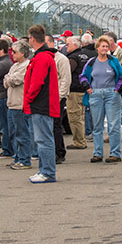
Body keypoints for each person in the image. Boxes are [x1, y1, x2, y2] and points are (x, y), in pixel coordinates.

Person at [23, 25, 60, 183]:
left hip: (41, 104)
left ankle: (47, 172)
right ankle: (44, 170)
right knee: (43, 139)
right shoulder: (43, 56)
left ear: (32, 38)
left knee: (43, 140)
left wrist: (29, 98)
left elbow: (37, 82)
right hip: (42, 103)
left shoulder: (42, 58)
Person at [80, 36, 122, 163]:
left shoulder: (113, 61)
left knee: (114, 125)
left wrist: (117, 90)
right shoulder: (91, 62)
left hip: (112, 93)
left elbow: (121, 76)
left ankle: (115, 153)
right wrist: (88, 88)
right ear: (97, 48)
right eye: (102, 46)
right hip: (96, 93)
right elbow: (83, 76)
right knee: (97, 126)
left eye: (107, 46)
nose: (105, 49)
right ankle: (97, 153)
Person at [5, 40, 35, 170]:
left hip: (20, 104)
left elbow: (14, 80)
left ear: (22, 53)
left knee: (22, 133)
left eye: (15, 52)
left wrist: (8, 78)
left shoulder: (26, 66)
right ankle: (17, 157)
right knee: (13, 133)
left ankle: (25, 160)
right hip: (11, 103)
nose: (12, 54)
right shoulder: (14, 66)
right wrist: (8, 79)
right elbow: (6, 81)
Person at [65, 34, 95, 150]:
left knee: (74, 116)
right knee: (82, 116)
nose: (66, 47)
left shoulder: (73, 58)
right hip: (85, 89)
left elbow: (67, 73)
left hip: (74, 90)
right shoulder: (87, 55)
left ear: (74, 45)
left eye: (68, 44)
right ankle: (82, 138)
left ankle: (79, 141)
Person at [47, 34, 71, 164]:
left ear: (51, 43)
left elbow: (66, 79)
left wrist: (60, 96)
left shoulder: (61, 59)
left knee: (56, 125)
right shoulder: (42, 58)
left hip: (57, 97)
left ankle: (59, 152)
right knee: (47, 126)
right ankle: (49, 151)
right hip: (46, 97)